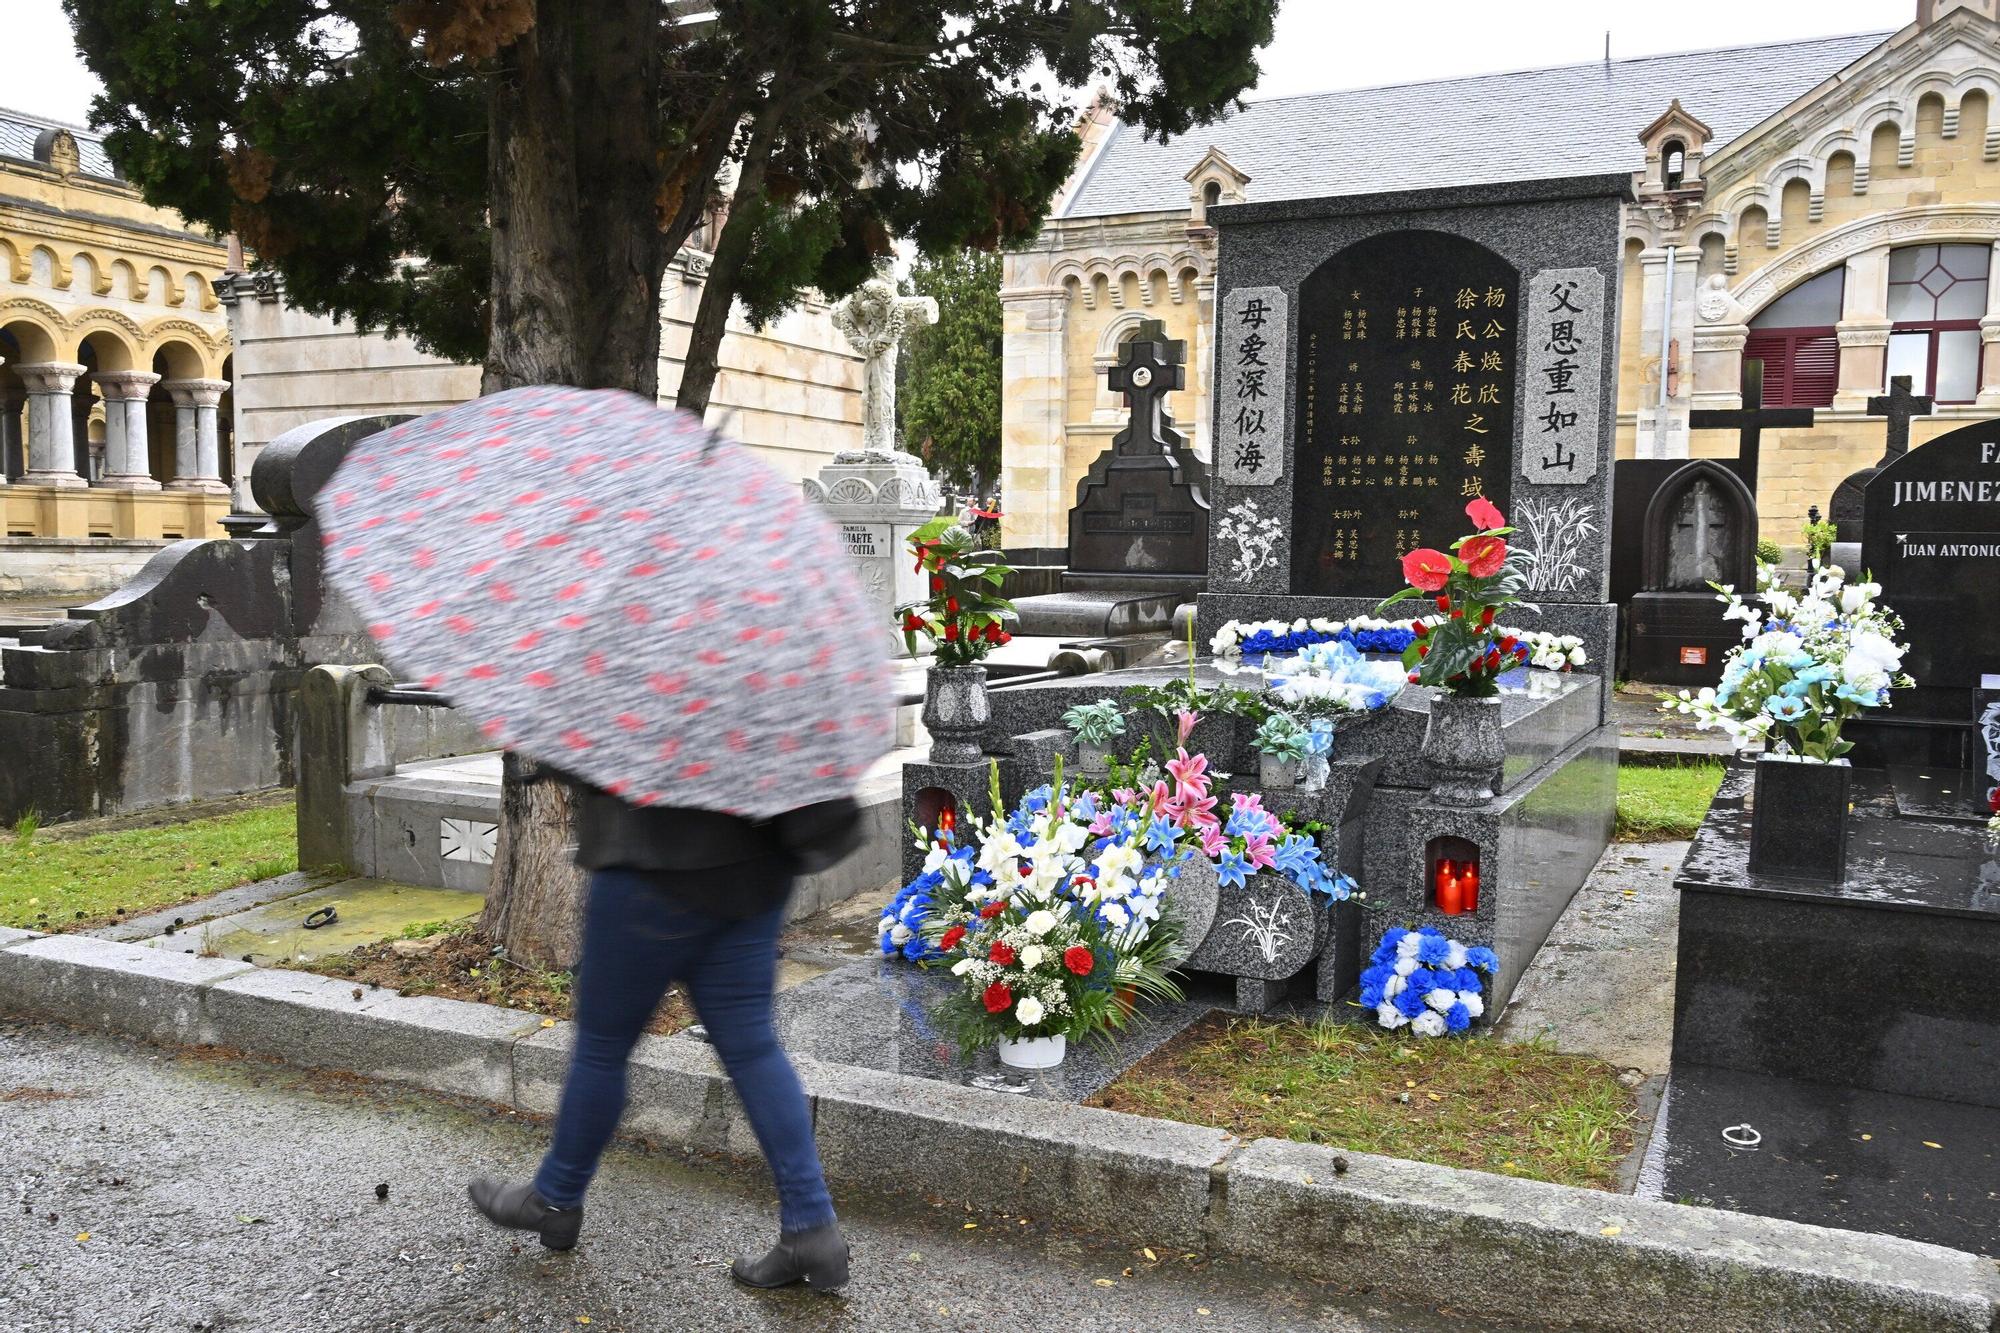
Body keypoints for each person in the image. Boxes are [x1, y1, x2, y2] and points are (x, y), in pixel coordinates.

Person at [467, 781, 862, 1293]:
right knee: (754, 1051)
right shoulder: (769, 723)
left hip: (648, 866)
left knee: (602, 1049)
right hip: (754, 872)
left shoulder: (653, 725)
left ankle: (555, 1199)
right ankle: (812, 1229)